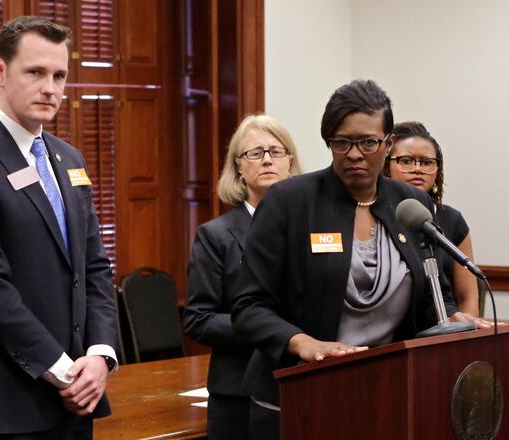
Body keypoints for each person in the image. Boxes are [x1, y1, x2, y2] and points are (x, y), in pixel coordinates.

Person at [229, 79, 489, 438]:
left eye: (368, 142)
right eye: (342, 142)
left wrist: (454, 320)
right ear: (329, 142)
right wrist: (301, 341)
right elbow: (248, 305)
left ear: (388, 143)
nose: (354, 154)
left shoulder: (409, 204)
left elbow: (430, 297)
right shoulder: (290, 202)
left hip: (385, 397)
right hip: (298, 398)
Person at [0, 16, 117, 439]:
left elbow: (94, 267)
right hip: (14, 403)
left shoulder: (69, 158)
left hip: (79, 399)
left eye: (59, 75)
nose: (50, 88)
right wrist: (63, 371)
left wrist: (100, 356)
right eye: (35, 72)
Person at [184, 114, 300, 439]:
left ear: (290, 161)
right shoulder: (214, 235)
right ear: (239, 167)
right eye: (255, 153)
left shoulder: (311, 230)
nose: (267, 160)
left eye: (276, 151)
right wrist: (274, 331)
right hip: (239, 394)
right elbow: (199, 319)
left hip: (301, 382)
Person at [385, 121, 479, 315]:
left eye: (427, 162)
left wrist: (464, 337)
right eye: (406, 160)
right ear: (386, 166)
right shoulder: (372, 215)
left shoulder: (452, 219)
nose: (417, 169)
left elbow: (467, 298)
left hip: (445, 328)